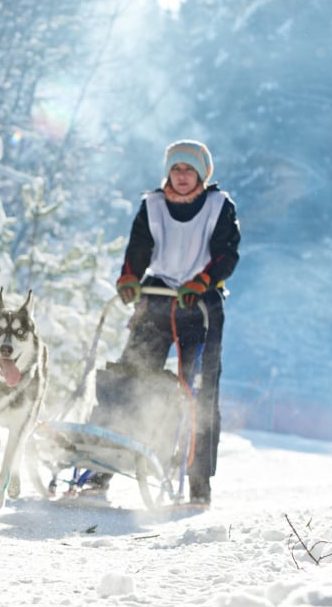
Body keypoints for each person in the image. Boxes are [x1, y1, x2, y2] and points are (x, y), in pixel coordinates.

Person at [83, 139, 241, 506]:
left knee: (199, 392)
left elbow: (227, 252)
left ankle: (198, 482)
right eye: (176, 169)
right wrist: (129, 278)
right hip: (158, 300)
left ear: (202, 174)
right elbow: (138, 248)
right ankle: (100, 467)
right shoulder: (152, 205)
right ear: (168, 173)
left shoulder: (219, 206)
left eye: (189, 170)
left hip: (201, 305)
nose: (182, 176)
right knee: (127, 379)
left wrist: (204, 280)